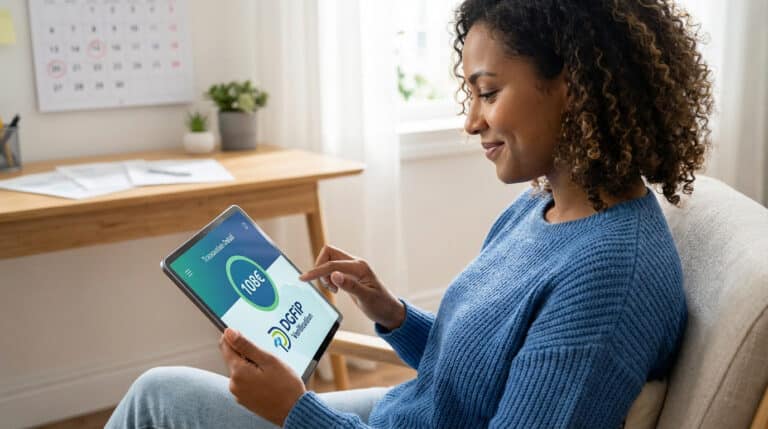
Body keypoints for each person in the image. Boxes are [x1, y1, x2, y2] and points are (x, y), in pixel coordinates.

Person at [107, 0, 713, 427]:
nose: (471, 121)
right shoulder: (541, 208)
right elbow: (474, 374)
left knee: (158, 397)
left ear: (574, 85)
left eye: (489, 92)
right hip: (405, 414)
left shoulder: (607, 275)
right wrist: (392, 312)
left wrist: (296, 411)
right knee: (162, 394)